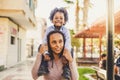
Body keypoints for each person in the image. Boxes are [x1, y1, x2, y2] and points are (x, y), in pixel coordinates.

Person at [38, 7, 72, 79]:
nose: (58, 19)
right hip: (51, 49)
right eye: (56, 18)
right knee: (41, 46)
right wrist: (46, 53)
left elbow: (68, 42)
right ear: (52, 20)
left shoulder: (66, 31)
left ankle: (66, 69)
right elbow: (45, 40)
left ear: (64, 21)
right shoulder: (49, 29)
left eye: (61, 18)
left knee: (71, 49)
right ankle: (44, 66)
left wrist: (65, 53)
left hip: (62, 49)